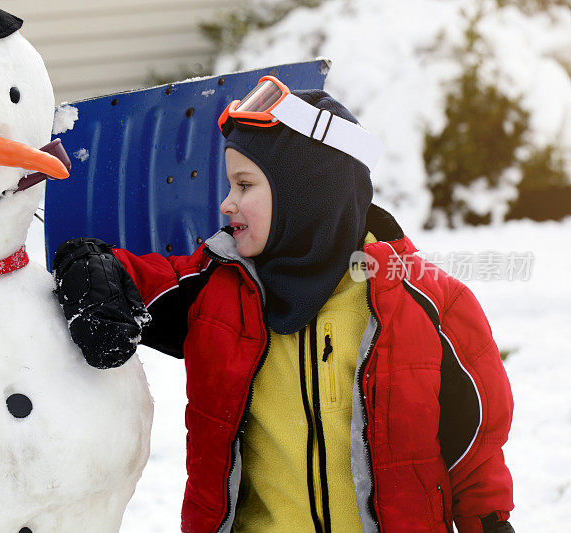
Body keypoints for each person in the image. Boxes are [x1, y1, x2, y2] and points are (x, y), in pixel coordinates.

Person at [52, 76, 515, 533]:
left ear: (307, 192)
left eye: (244, 185)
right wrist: (86, 267)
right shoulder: (219, 286)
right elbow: (142, 282)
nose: (227, 204)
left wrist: (489, 524)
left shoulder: (429, 302)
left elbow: (474, 449)